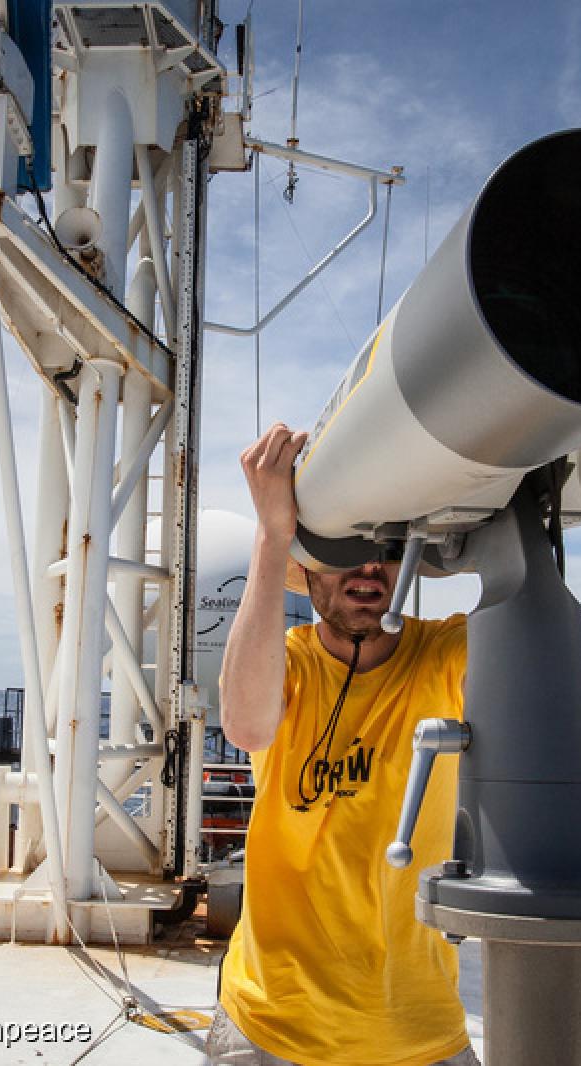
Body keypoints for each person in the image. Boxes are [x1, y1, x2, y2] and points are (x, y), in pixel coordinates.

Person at [207, 422, 480, 1066]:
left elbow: (532, 661)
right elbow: (246, 726)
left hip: (417, 1028)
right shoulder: (291, 666)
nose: (367, 567)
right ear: (308, 572)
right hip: (266, 1022)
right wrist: (274, 535)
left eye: (384, 550)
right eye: (343, 552)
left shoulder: (446, 651)